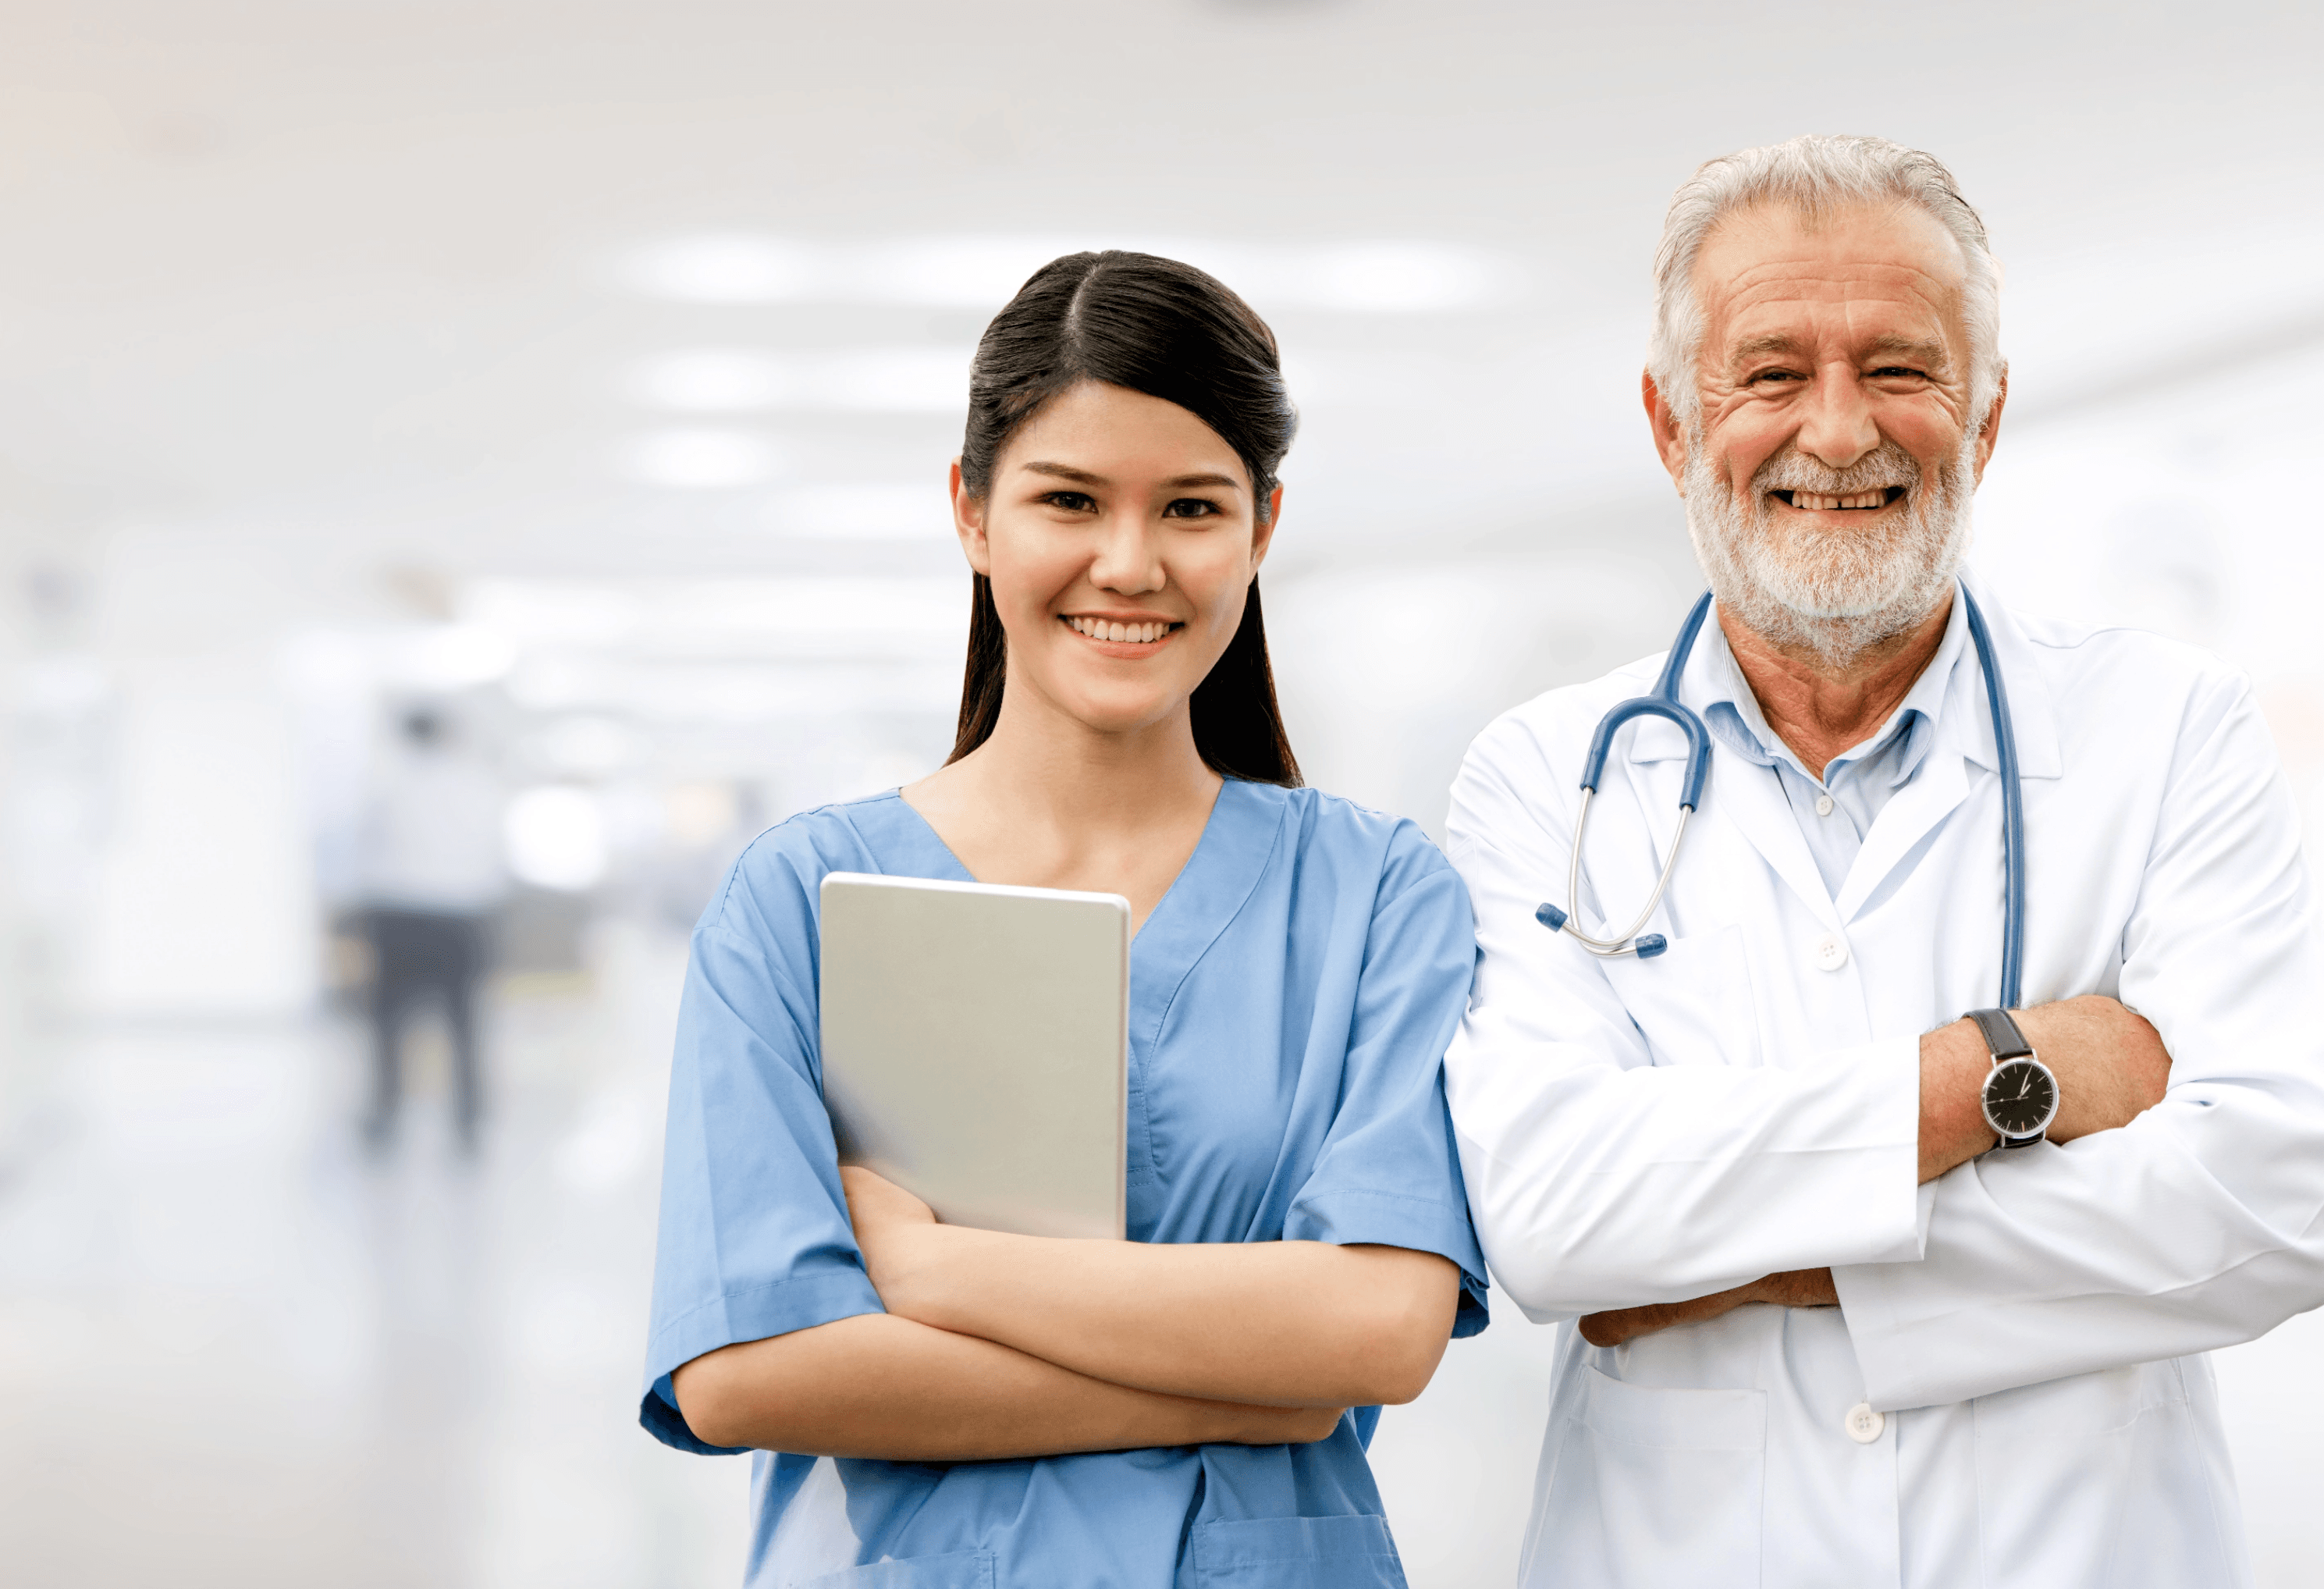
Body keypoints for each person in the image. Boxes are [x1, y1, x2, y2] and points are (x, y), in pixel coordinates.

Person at [1441, 133, 2324, 1587]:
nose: (1840, 433)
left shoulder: (2169, 730)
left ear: (1981, 420)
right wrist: (1988, 1078)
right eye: (1772, 372)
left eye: (1901, 369)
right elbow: (1548, 1217)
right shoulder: (1544, 774)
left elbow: (2271, 1197)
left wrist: (1755, 1254)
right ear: (1673, 426)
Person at [638, 251, 1487, 1587]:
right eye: (1069, 499)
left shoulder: (1377, 895)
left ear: (1263, 528)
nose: (1130, 563)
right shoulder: (798, 900)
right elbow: (743, 1374)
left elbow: (1380, 1330)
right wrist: (1254, 1382)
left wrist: (928, 1271)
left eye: (1193, 507)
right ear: (973, 513)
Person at [354, 705, 507, 1151]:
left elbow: (368, 852)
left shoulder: (388, 786)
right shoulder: (478, 785)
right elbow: (494, 854)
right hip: (462, 917)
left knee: (389, 1027)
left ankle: (384, 1118)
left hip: (399, 916)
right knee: (465, 1024)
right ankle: (469, 1122)